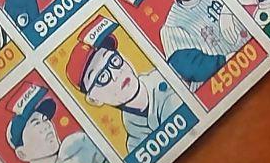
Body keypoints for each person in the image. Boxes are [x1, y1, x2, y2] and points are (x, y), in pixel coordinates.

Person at [65, 19, 182, 153]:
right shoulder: (135, 144)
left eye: (114, 60)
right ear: (94, 100)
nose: (116, 74)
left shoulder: (173, 74)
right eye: (102, 77)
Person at [153, 0, 249, 88]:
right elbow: (189, 67)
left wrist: (227, 11)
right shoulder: (171, 26)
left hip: (251, 50)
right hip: (221, 81)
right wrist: (225, 61)